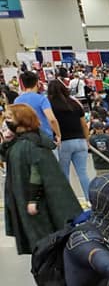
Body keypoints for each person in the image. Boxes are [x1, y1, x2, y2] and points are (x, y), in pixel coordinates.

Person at [1, 103, 81, 255]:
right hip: (29, 199)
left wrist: (33, 199)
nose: (6, 121)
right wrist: (6, 142)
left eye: (10, 117)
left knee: (44, 241)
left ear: (22, 119)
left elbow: (36, 172)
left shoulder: (30, 144)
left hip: (36, 202)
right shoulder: (25, 142)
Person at [46, 78, 91, 201]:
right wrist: (87, 140)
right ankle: (90, 199)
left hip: (63, 142)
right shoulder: (75, 103)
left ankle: (68, 201)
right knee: (83, 173)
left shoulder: (49, 105)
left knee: (64, 174)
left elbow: (51, 122)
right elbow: (84, 125)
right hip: (80, 141)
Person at [14, 70, 60, 144]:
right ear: (37, 83)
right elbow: (52, 119)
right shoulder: (42, 99)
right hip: (45, 137)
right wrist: (58, 135)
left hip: (26, 138)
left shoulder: (17, 100)